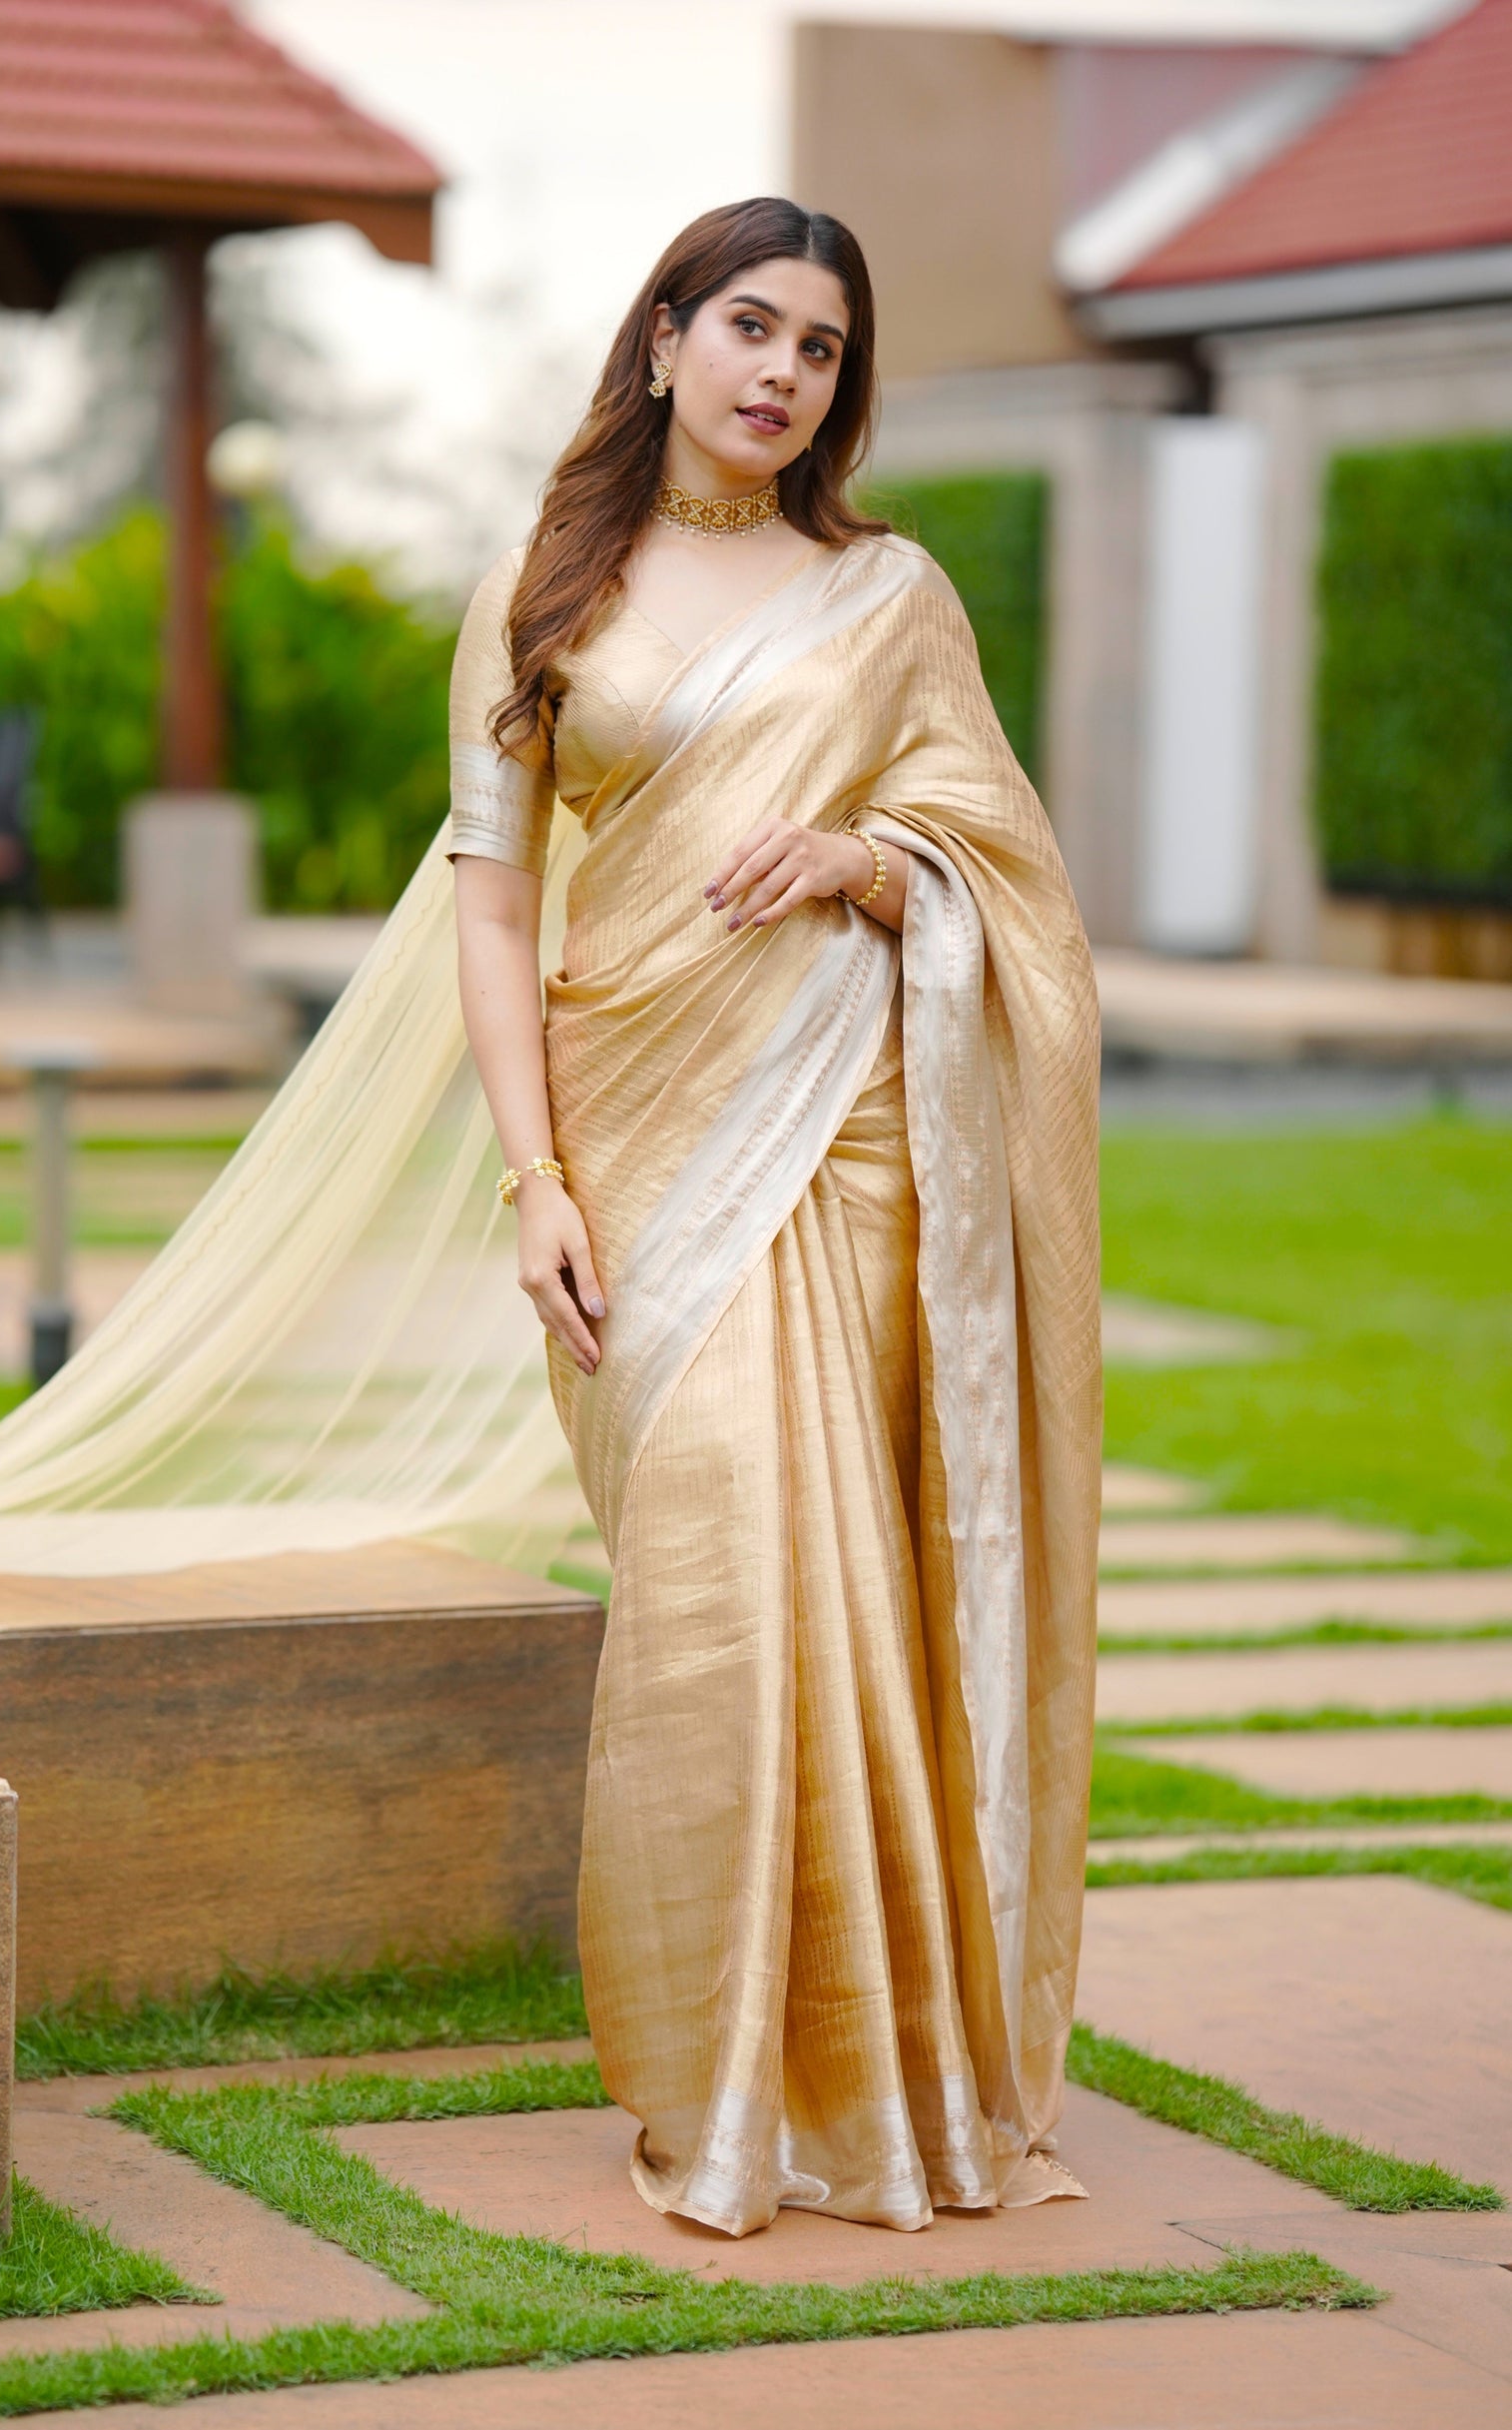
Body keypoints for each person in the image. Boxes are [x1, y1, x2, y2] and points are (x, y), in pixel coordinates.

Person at [449, 196, 1101, 2238]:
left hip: (849, 1141)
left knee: (830, 1580)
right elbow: (491, 892)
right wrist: (535, 1169)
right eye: (748, 324)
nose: (779, 373)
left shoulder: (887, 597)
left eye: (818, 347)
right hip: (635, 1143)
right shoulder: (543, 585)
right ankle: (720, 2068)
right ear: (660, 338)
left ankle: (855, 2079)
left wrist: (869, 857)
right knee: (716, 1583)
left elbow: (1015, 891)